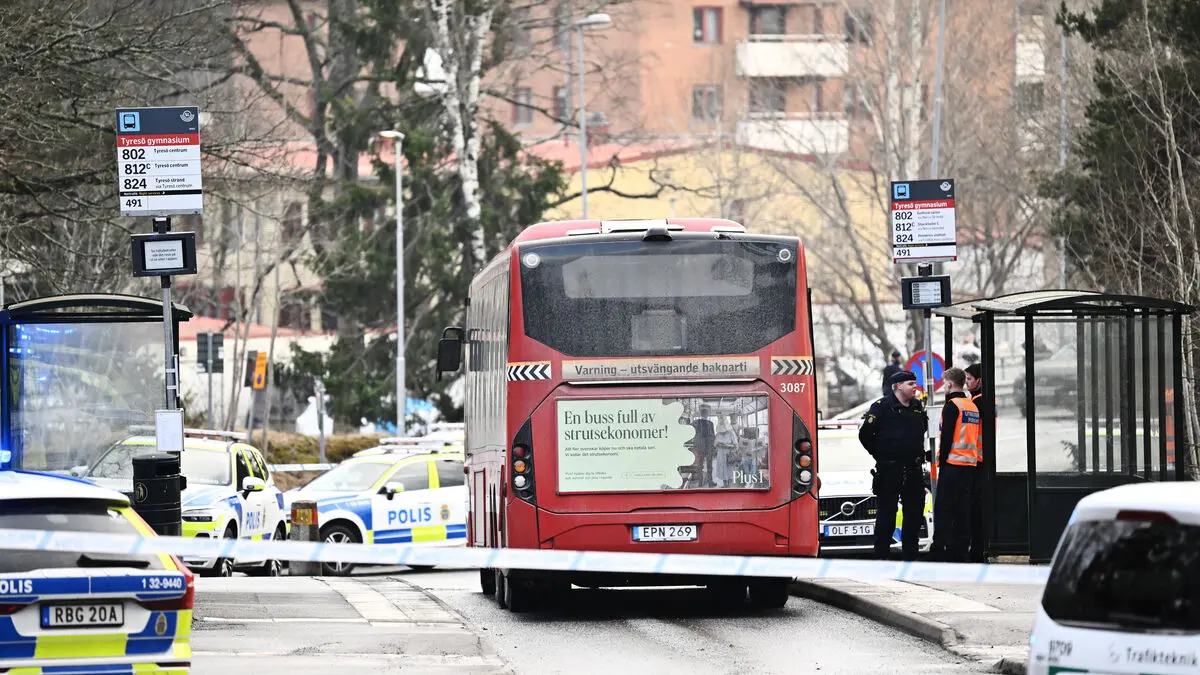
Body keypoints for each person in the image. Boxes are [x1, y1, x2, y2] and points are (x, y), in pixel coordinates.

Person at [858, 370, 928, 561]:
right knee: (887, 516)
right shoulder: (881, 407)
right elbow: (865, 435)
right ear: (897, 386)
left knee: (913, 515)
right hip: (890, 470)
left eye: (915, 383)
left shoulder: (916, 406)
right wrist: (880, 455)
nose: (915, 387)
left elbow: (922, 430)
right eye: (910, 384)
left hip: (913, 469)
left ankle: (910, 559)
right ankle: (882, 559)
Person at [928, 367, 982, 562]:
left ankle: (938, 550)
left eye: (944, 384)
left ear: (950, 384)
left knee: (944, 508)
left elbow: (947, 437)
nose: (944, 388)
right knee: (962, 510)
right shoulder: (971, 406)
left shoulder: (952, 406)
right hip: (969, 465)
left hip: (952, 464)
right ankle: (960, 551)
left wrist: (940, 462)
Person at [964, 363, 994, 563]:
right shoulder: (990, 399)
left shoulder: (976, 402)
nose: (966, 383)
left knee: (975, 511)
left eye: (969, 379)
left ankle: (977, 551)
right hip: (985, 459)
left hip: (977, 461)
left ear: (979, 381)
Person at [691, 405, 717, 487]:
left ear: (700, 414)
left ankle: (700, 483)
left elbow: (693, 435)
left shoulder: (695, 423)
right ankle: (710, 482)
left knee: (700, 466)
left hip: (700, 447)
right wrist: (713, 447)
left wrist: (696, 445)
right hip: (708, 447)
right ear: (707, 415)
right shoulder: (710, 423)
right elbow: (713, 436)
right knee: (709, 466)